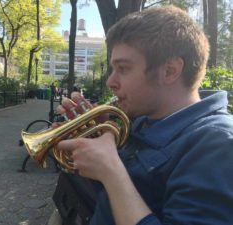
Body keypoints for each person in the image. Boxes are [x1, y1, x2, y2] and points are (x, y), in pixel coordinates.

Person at [54, 5, 233, 225]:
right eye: (112, 69)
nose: (110, 82)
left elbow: (118, 186)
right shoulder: (144, 122)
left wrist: (112, 172)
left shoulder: (217, 144)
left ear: (169, 71)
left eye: (124, 68)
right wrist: (95, 142)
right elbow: (115, 199)